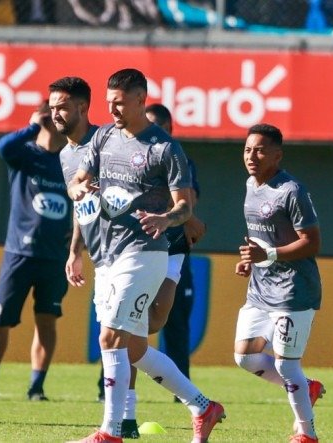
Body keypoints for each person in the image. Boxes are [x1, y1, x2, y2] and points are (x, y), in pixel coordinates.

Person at [67, 68, 224, 443]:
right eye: (109, 103)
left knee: (110, 336)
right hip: (107, 254)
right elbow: (78, 178)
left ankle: (110, 431)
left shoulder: (165, 149)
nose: (112, 110)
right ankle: (203, 406)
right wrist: (78, 188)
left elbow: (185, 208)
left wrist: (165, 217)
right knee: (135, 347)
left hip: (145, 253)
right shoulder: (104, 136)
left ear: (140, 100)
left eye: (119, 103)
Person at [0, 101, 71, 401]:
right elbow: (3, 146)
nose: (56, 121)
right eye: (52, 115)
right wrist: (34, 125)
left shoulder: (70, 160)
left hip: (54, 256)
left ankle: (37, 386)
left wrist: (80, 235)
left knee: (46, 319)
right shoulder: (24, 154)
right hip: (19, 253)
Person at [51, 76, 138, 438]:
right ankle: (198, 405)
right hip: (102, 257)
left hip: (132, 250)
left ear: (83, 108)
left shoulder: (109, 142)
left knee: (124, 336)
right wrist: (75, 250)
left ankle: (119, 422)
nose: (55, 113)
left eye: (62, 107)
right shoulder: (65, 155)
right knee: (129, 340)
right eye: (52, 106)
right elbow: (81, 207)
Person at [234, 123, 325, 443]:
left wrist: (268, 255)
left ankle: (307, 434)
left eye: (259, 150)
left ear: (277, 154)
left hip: (294, 290)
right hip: (260, 289)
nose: (251, 156)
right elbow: (260, 238)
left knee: (287, 365)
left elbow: (312, 243)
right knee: (245, 357)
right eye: (247, 149)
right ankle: (307, 387)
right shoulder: (250, 185)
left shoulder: (292, 190)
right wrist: (250, 259)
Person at [144, 103, 206, 386]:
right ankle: (107, 388)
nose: (155, 134)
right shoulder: (130, 154)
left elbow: (187, 201)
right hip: (138, 249)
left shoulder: (179, 158)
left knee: (173, 321)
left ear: (170, 130)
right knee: (122, 320)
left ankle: (182, 388)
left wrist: (185, 215)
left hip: (173, 248)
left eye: (161, 128)